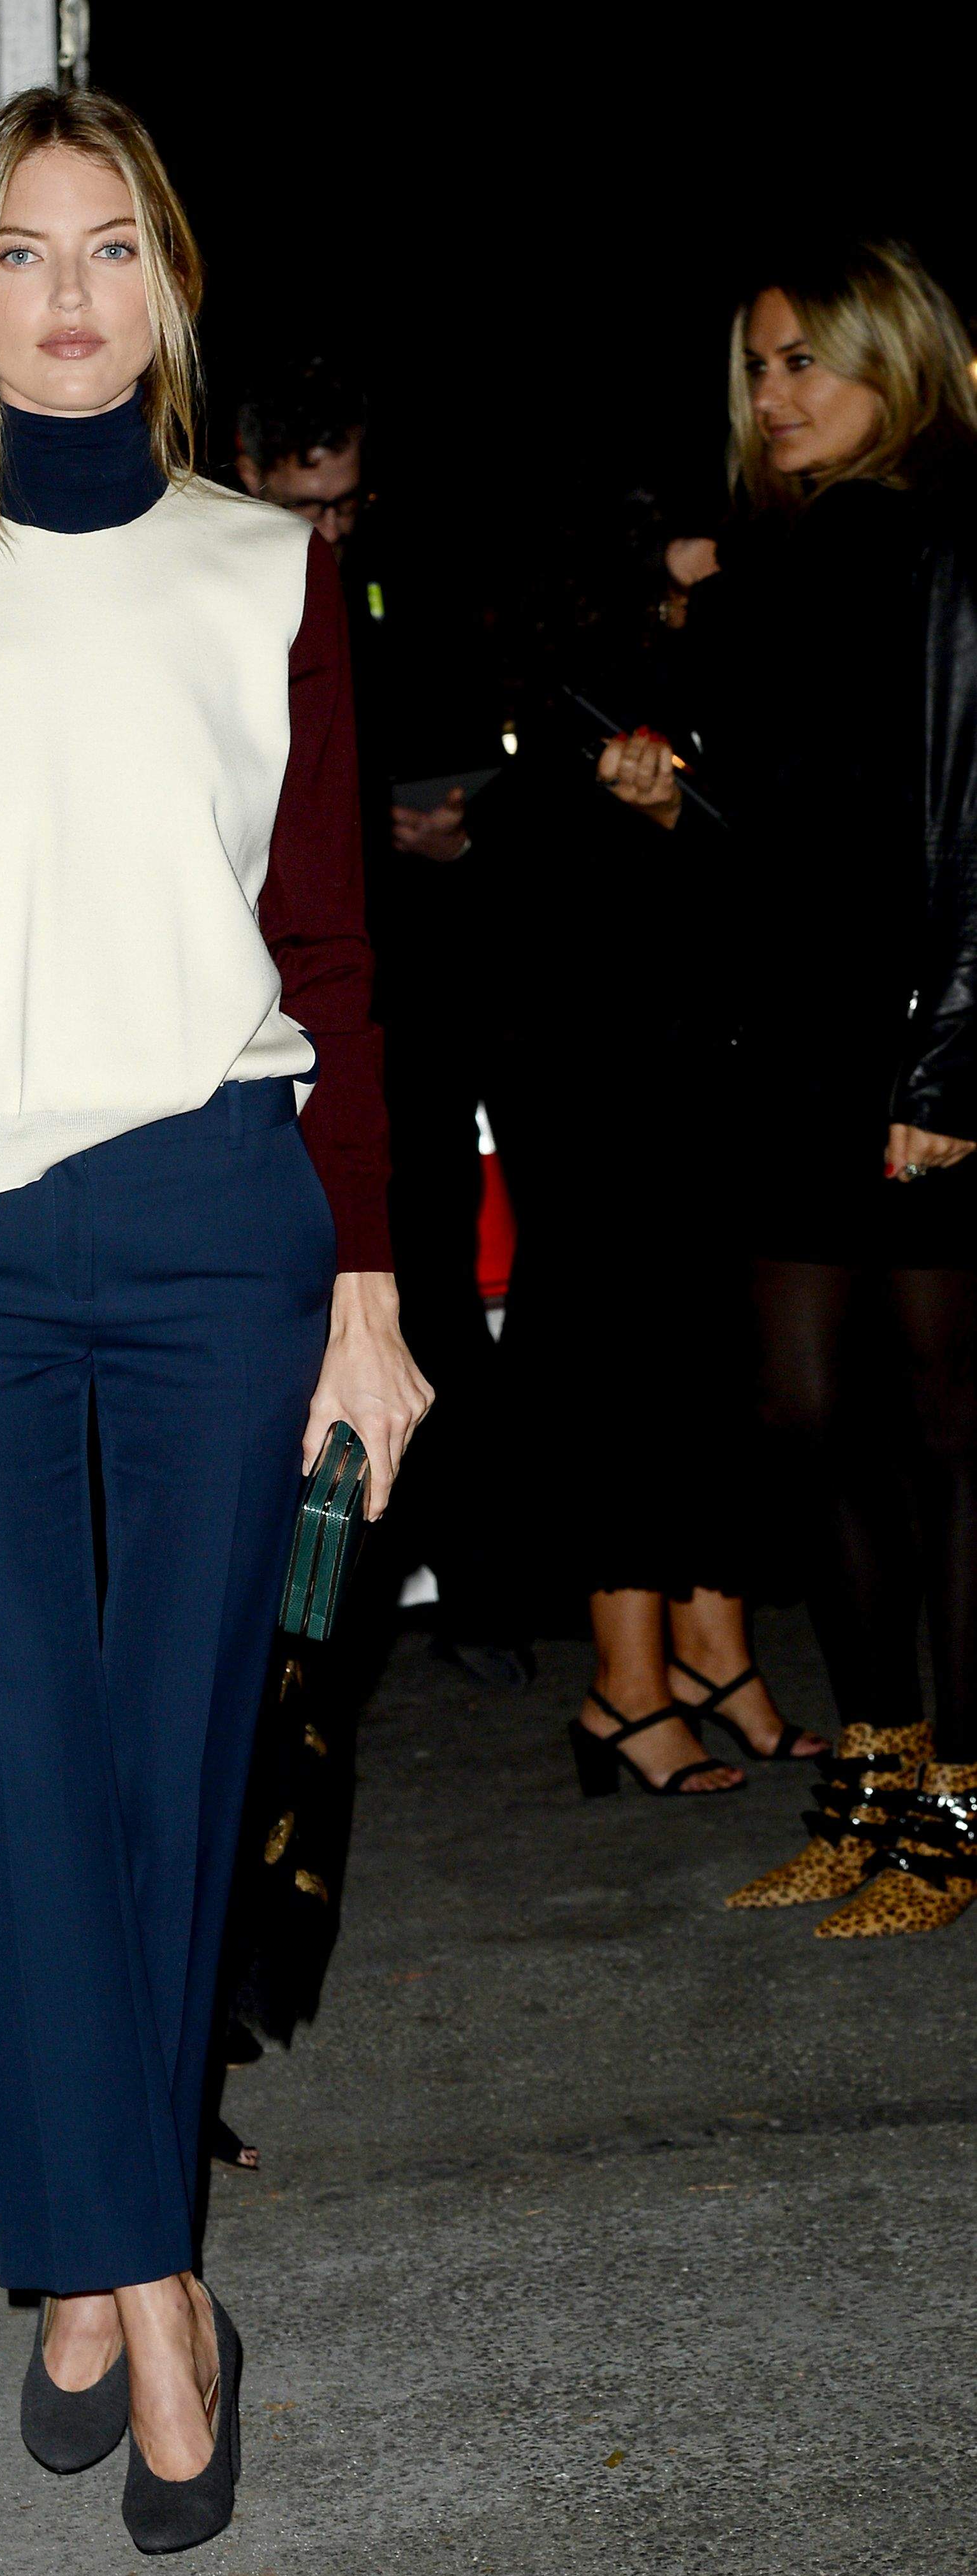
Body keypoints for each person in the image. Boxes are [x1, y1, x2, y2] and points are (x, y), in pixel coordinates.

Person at [0, 89, 429, 2553]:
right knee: (23, 1765)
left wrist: (369, 1291)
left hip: (224, 1215)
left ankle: (93, 2271)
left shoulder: (266, 576)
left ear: (166, 287)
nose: (65, 293)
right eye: (22, 250)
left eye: (110, 247)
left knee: (170, 1754)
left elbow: (331, 950)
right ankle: (155, 2297)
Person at [599, 241, 977, 1925]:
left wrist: (955, 1055)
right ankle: (876, 1768)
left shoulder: (945, 538)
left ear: (891, 358)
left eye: (805, 358)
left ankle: (954, 1797)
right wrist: (672, 799)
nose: (772, 392)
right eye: (755, 364)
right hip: (787, 1047)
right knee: (803, 1418)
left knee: (945, 1431)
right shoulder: (773, 561)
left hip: (918, 1042)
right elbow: (789, 828)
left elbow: (968, 815)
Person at [478, 492, 825, 1796]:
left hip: (707, 1065)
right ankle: (626, 1683)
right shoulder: (576, 672)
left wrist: (687, 816)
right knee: (622, 1358)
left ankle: (712, 1655)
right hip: (598, 1074)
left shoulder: (732, 651)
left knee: (707, 1359)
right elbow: (536, 874)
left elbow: (768, 865)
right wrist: (647, 814)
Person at [235, 361, 525, 1682]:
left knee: (429, 1301)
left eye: (349, 504)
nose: (332, 529)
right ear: (248, 472)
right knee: (293, 1323)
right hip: (261, 1023)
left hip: (404, 1007)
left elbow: (462, 747)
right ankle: (300, 1634)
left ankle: (467, 1587)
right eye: (308, 504)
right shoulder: (208, 593)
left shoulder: (386, 592)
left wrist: (446, 834)